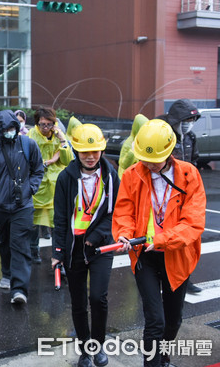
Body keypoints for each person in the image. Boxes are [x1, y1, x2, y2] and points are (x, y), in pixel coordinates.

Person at [112, 119, 206, 367]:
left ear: (169, 152)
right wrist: (124, 233)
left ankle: (162, 358)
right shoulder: (133, 175)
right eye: (144, 159)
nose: (148, 165)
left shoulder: (189, 174)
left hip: (177, 255)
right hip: (145, 255)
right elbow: (124, 211)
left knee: (173, 320)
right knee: (155, 321)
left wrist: (163, 239)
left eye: (153, 160)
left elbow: (193, 223)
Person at [52, 124, 119, 367]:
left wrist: (98, 234)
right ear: (76, 151)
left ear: (102, 150)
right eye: (84, 152)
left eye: (95, 151)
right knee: (78, 302)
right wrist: (57, 252)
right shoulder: (65, 178)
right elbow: (59, 217)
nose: (90, 157)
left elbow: (116, 212)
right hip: (73, 248)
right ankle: (85, 350)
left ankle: (98, 346)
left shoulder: (111, 174)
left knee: (98, 298)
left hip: (101, 247)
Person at [0, 110, 44, 304]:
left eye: (12, 128)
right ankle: (6, 272)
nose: (9, 132)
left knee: (20, 244)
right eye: (5, 129)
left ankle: (19, 290)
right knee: (5, 242)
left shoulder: (28, 144)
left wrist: (31, 188)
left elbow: (38, 169)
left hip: (23, 205)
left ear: (17, 126)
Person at [157, 99, 203, 294]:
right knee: (164, 238)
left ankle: (185, 278)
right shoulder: (164, 136)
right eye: (186, 118)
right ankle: (157, 279)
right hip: (166, 196)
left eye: (192, 119)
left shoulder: (190, 137)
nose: (189, 122)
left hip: (186, 195)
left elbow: (194, 160)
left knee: (186, 239)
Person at [28, 107, 73, 263]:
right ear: (37, 124)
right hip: (37, 186)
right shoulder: (31, 136)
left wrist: (62, 139)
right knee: (34, 223)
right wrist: (49, 161)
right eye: (42, 124)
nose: (45, 128)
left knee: (58, 223)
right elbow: (28, 161)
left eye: (49, 124)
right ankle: (34, 251)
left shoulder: (59, 135)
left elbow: (68, 160)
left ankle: (58, 253)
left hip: (56, 186)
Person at [158, 98, 201, 165]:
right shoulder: (163, 135)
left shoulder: (191, 137)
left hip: (185, 174)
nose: (188, 124)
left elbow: (194, 159)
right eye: (186, 121)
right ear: (176, 120)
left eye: (191, 121)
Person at [118, 114, 149, 178]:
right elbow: (123, 164)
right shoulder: (129, 143)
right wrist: (132, 151)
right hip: (126, 178)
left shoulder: (142, 141)